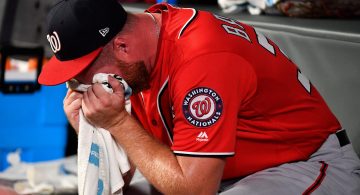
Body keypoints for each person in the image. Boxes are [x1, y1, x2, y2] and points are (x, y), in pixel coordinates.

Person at [38, 0, 360, 194]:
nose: (85, 86)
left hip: (304, 165)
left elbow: (193, 190)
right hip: (219, 175)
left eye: (86, 75)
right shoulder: (140, 59)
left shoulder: (201, 58)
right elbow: (133, 172)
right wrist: (95, 130)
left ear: (122, 46)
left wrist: (119, 123)